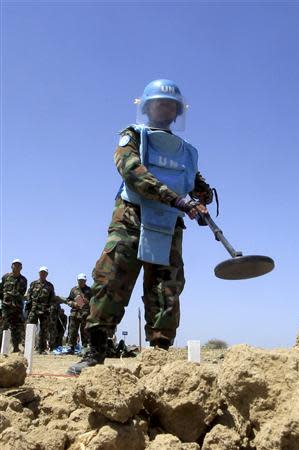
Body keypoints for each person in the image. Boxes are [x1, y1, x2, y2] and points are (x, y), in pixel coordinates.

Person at [68, 79, 213, 375]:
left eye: (170, 105)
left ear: (176, 113)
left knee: (166, 289)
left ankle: (158, 358)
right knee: (111, 280)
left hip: (169, 222)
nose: (165, 109)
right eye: (159, 103)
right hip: (131, 218)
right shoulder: (132, 136)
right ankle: (96, 350)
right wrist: (178, 201)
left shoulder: (186, 152)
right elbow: (132, 171)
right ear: (147, 108)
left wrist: (202, 196)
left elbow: (196, 184)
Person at [0, 259, 27, 352]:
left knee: (16, 327)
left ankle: (15, 347)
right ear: (11, 266)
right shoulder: (5, 277)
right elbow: (0, 290)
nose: (17, 267)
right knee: (3, 326)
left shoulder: (23, 280)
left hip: (17, 307)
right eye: (15, 265)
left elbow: (22, 292)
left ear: (21, 268)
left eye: (19, 265)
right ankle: (1, 347)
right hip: (6, 307)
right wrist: (4, 300)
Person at [26, 266, 55, 354]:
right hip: (33, 309)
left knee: (43, 330)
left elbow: (52, 298)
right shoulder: (33, 284)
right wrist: (29, 304)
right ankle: (27, 348)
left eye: (44, 273)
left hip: (44, 310)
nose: (43, 274)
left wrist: (49, 308)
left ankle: (41, 349)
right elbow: (29, 295)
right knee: (30, 328)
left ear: (47, 274)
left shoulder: (50, 286)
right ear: (39, 273)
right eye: (41, 272)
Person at [66, 273, 92, 354]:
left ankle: (84, 347)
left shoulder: (90, 290)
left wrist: (88, 302)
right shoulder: (73, 290)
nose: (81, 282)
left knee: (85, 331)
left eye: (83, 280)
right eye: (80, 280)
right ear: (77, 280)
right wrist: (74, 304)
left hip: (85, 314)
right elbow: (68, 300)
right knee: (72, 331)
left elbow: (94, 301)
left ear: (85, 281)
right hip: (75, 314)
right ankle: (71, 347)